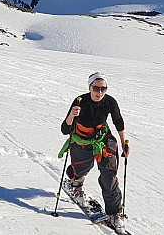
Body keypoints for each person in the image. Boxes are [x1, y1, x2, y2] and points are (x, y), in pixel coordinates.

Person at [60, 72, 129, 233]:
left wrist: (123, 142)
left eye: (103, 88)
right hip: (82, 140)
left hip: (103, 138)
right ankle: (74, 183)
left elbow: (118, 121)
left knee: (109, 173)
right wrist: (71, 115)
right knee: (82, 166)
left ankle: (114, 212)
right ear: (89, 87)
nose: (100, 92)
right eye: (96, 88)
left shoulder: (109, 101)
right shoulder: (80, 102)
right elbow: (65, 129)